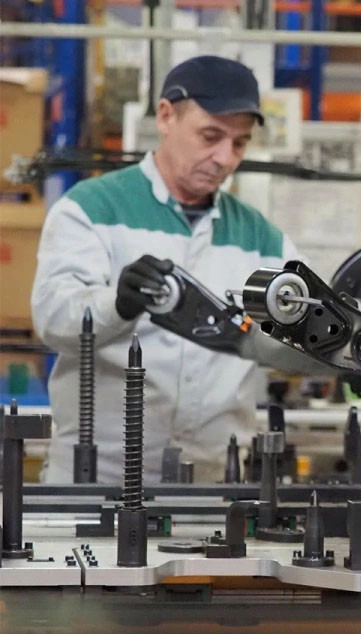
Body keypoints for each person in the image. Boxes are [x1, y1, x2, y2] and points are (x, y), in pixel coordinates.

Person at [32, 55, 302, 484]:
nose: (225, 158)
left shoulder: (262, 237)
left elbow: (300, 335)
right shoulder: (90, 209)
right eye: (210, 136)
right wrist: (117, 305)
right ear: (165, 116)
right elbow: (52, 320)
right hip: (97, 479)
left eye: (239, 143)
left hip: (213, 480)